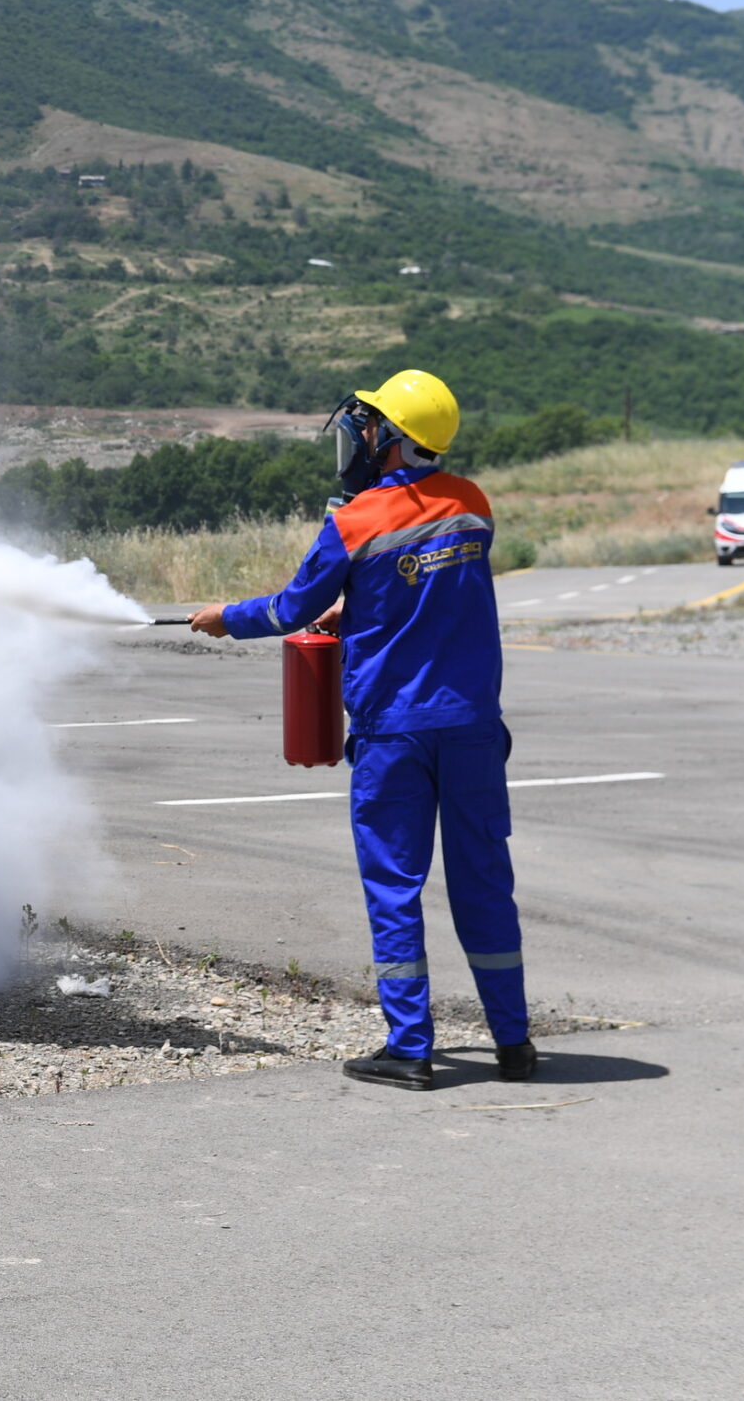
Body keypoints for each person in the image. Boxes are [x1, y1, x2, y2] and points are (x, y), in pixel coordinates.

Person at [190, 369, 533, 1091]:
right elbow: (432, 588)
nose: (360, 433)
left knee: (394, 886)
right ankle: (514, 1043)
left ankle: (410, 1048)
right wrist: (362, 605)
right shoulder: (473, 504)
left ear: (394, 438)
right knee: (485, 884)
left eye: (370, 422)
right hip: (472, 725)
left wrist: (227, 617)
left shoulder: (354, 521)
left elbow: (288, 609)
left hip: (395, 733)